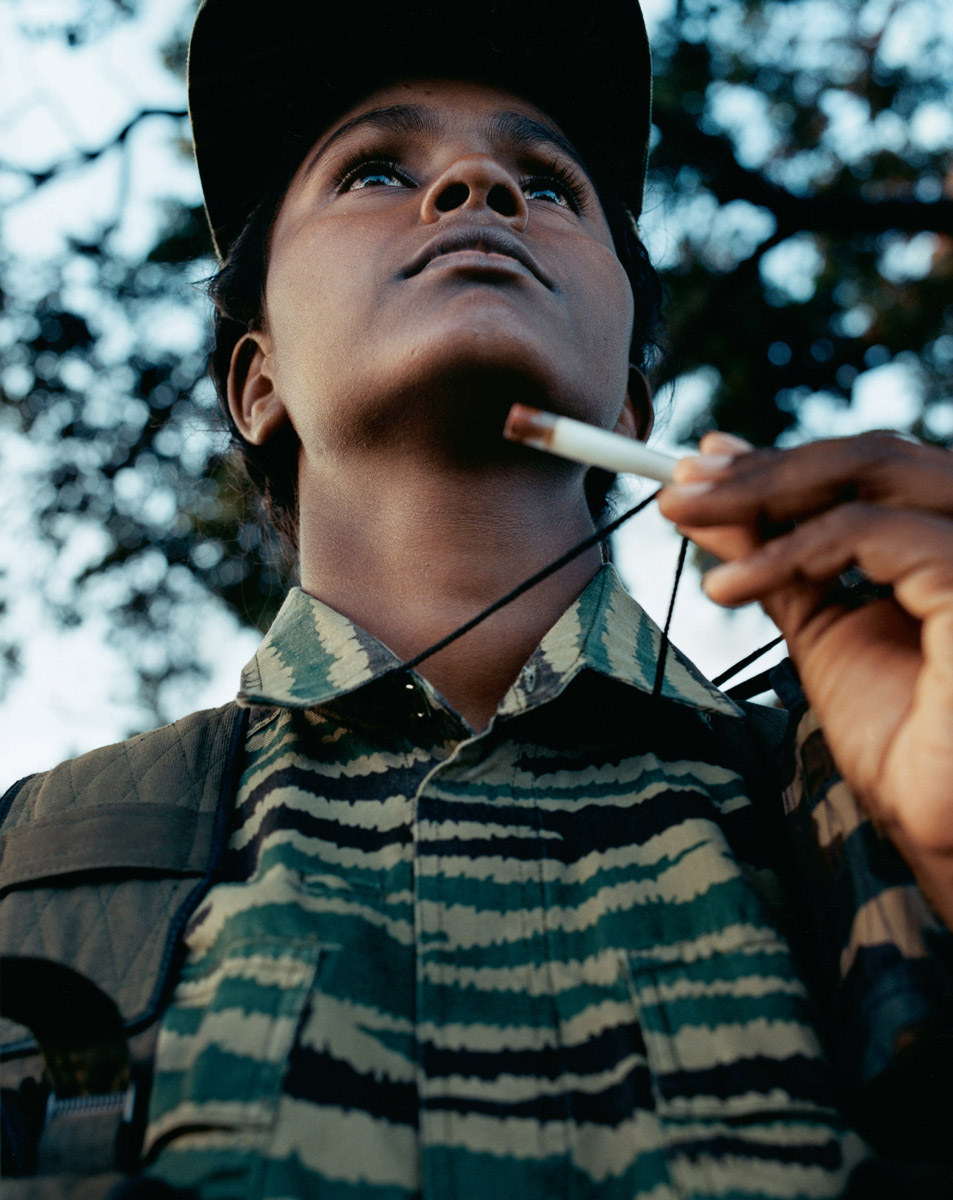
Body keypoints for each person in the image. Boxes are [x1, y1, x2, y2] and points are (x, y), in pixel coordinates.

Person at [1, 0, 952, 1195]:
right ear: (258, 380)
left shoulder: (872, 802)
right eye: (376, 167)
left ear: (628, 408)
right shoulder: (30, 867)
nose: (474, 187)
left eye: (548, 185)